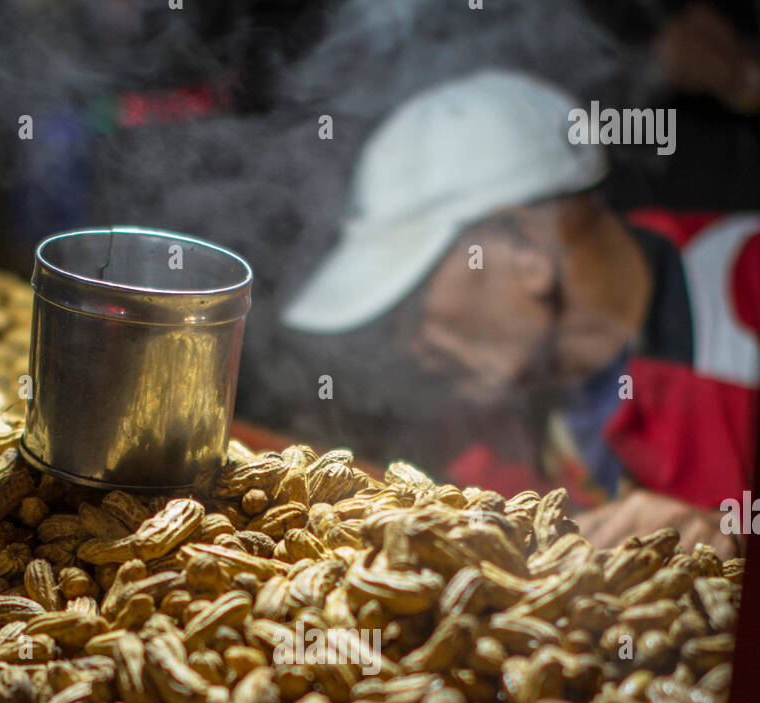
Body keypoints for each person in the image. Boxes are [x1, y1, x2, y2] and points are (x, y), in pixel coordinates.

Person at [282, 70, 760, 552]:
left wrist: (732, 544)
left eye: (410, 302)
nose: (406, 344)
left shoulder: (747, 293)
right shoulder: (477, 426)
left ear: (526, 245)